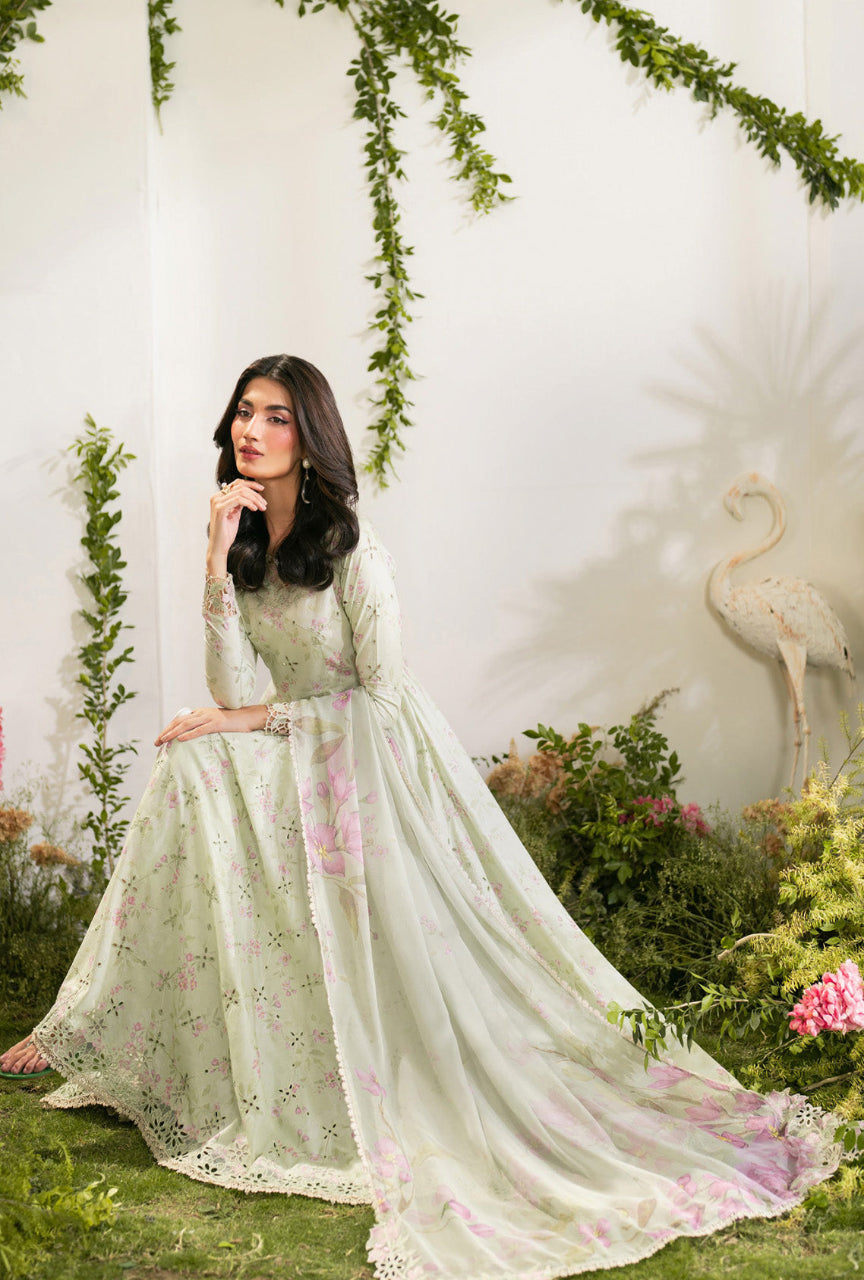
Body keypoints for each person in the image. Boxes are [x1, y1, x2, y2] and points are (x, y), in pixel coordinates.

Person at [1, 355, 849, 1278]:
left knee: (212, 743)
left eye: (277, 417)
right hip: (297, 749)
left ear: (311, 436)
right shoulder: (244, 548)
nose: (252, 431)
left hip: (372, 760)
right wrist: (213, 562)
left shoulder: (353, 552)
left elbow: (386, 697)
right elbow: (230, 686)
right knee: (188, 759)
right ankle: (122, 1019)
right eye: (244, 413)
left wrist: (256, 719)